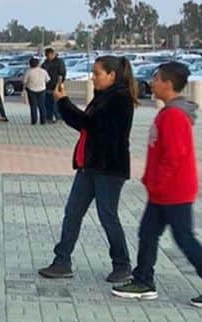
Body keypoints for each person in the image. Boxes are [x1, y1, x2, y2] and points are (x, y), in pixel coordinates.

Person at [112, 62, 202, 307]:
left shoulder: (174, 116)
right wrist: (150, 181)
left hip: (174, 190)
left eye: (156, 78)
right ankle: (143, 281)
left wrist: (159, 182)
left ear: (168, 84)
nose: (152, 83)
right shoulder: (168, 112)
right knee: (148, 234)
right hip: (162, 190)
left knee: (184, 238)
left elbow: (175, 155)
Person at [38, 55, 136, 283]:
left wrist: (63, 102)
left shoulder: (119, 98)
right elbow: (86, 123)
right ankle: (62, 261)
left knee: (107, 216)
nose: (93, 78)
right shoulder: (104, 96)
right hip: (89, 166)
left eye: (97, 73)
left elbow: (90, 124)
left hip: (108, 168)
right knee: (73, 213)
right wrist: (65, 104)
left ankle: (122, 265)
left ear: (112, 75)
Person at [43, 47, 67, 124]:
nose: (47, 57)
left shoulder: (59, 62)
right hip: (47, 86)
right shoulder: (45, 63)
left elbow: (61, 74)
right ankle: (49, 117)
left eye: (48, 55)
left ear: (52, 54)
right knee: (48, 102)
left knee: (57, 102)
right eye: (46, 55)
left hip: (56, 84)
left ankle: (59, 117)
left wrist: (59, 85)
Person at [23, 56, 49, 125]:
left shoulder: (28, 72)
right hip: (42, 89)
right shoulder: (43, 71)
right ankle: (43, 120)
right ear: (38, 64)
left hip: (31, 90)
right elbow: (48, 80)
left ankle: (34, 121)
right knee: (42, 106)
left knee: (33, 106)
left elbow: (24, 81)